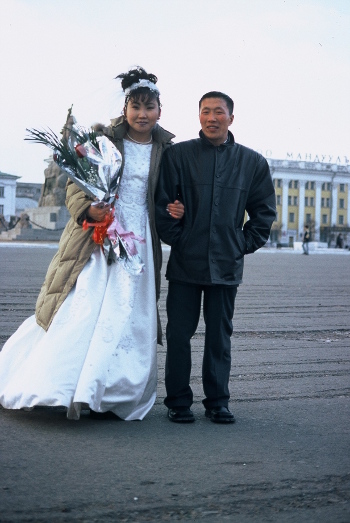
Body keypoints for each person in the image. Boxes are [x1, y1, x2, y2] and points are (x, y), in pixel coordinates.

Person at [0, 66, 183, 421]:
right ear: (125, 108)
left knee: (131, 312)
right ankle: (61, 385)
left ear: (160, 110)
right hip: (97, 237)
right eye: (136, 106)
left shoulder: (168, 149)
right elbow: (74, 187)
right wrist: (90, 210)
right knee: (81, 307)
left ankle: (114, 393)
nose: (142, 114)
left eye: (150, 107)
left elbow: (165, 195)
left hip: (140, 240)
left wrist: (174, 208)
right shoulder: (102, 141)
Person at [155, 91, 276, 424]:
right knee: (179, 335)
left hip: (226, 264)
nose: (212, 118)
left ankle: (218, 402)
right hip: (185, 263)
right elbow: (162, 204)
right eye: (205, 111)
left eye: (218, 112)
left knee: (220, 337)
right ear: (198, 117)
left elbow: (264, 212)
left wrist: (242, 243)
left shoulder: (252, 163)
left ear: (231, 119)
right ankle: (178, 401)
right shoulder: (177, 156)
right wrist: (179, 238)